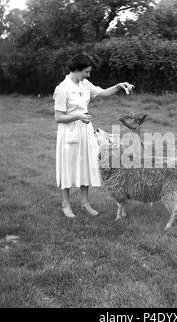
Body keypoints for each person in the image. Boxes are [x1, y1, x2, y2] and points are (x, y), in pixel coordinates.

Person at [54, 53, 133, 218]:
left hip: (86, 130)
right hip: (69, 132)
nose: (88, 75)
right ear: (77, 70)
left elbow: (103, 93)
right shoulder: (63, 89)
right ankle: (65, 204)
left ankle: (85, 203)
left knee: (85, 166)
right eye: (86, 72)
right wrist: (78, 116)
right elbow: (58, 117)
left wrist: (119, 85)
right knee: (68, 166)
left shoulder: (84, 84)